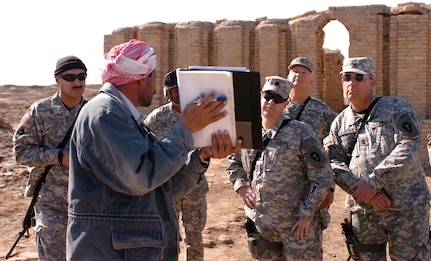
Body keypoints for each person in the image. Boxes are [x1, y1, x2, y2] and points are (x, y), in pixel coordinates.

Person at [66, 39, 241, 261]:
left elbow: (163, 187)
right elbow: (141, 177)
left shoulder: (123, 115)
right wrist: (185, 129)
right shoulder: (104, 115)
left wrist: (202, 155)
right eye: (153, 76)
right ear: (141, 79)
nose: (156, 85)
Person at [324, 57, 431, 260]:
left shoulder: (397, 108)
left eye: (358, 77)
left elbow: (409, 145)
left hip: (407, 207)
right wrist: (362, 190)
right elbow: (332, 161)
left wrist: (373, 183)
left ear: (372, 82)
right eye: (346, 77)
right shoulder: (339, 123)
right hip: (365, 211)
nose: (352, 82)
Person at [227, 76, 333, 260]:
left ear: (286, 104)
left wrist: (306, 215)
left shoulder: (301, 132)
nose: (270, 102)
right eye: (267, 96)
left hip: (296, 227)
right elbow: (234, 163)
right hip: (262, 225)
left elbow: (323, 176)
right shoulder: (246, 129)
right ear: (260, 96)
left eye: (277, 99)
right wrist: (241, 186)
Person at [13, 55, 88, 260]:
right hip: (51, 203)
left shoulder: (93, 112)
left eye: (82, 76)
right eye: (70, 77)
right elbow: (21, 152)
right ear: (57, 79)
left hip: (88, 203)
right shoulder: (40, 111)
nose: (77, 82)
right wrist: (58, 157)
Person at [144, 69, 209, 261]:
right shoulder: (157, 118)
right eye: (174, 91)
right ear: (167, 93)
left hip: (194, 189)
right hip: (167, 189)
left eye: (182, 89)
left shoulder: (199, 114)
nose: (179, 94)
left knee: (195, 239)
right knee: (166, 239)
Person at [284, 56, 338, 231]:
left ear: (312, 79)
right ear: (287, 76)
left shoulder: (322, 111)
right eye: (295, 71)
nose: (298, 75)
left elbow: (336, 149)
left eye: (304, 72)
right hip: (278, 187)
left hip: (311, 189)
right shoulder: (275, 107)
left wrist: (329, 187)